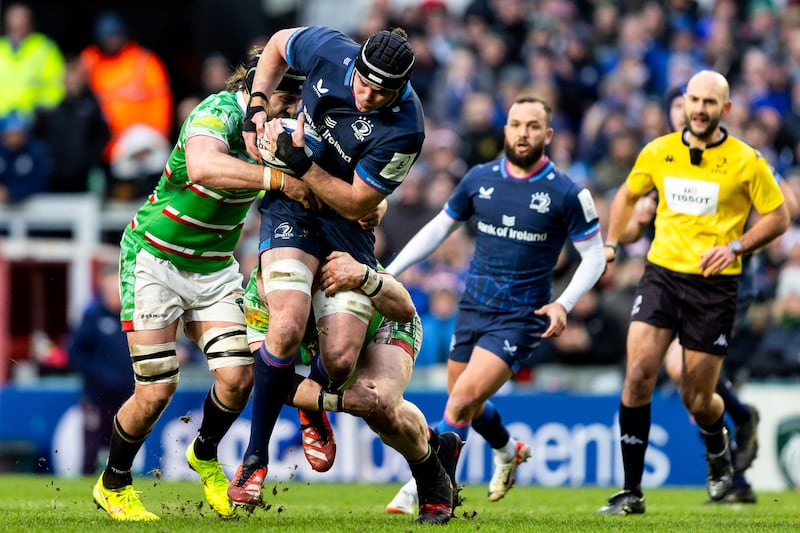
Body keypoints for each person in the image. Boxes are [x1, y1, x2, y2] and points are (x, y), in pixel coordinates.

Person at [90, 50, 313, 522]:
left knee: (238, 378)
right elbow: (203, 167)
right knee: (156, 389)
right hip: (155, 258)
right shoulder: (219, 111)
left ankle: (205, 453)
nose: (293, 108)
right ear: (257, 90)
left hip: (213, 268)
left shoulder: (284, 130)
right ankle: (113, 483)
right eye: (286, 97)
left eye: (298, 99)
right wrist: (278, 179)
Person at [230, 25, 430, 519]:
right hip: (290, 211)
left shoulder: (407, 127)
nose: (366, 97)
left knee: (340, 359)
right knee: (286, 324)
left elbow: (358, 202)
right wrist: (257, 106)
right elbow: (278, 43)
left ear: (401, 89)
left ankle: (313, 405)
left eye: (380, 93)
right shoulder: (329, 49)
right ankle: (254, 461)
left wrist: (302, 166)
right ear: (354, 64)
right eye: (363, 83)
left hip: (344, 221)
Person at [384, 94, 606, 514]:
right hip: (473, 308)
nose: (523, 133)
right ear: (506, 130)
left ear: (548, 135)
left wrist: (564, 303)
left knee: (461, 400)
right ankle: (507, 449)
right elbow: (440, 228)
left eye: (533, 126)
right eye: (516, 125)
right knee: (465, 399)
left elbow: (594, 256)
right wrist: (391, 271)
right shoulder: (479, 179)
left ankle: (427, 492)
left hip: (521, 318)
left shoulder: (567, 193)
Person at [597, 70, 790, 516]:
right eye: (694, 100)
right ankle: (631, 491)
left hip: (714, 287)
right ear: (684, 104)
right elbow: (626, 195)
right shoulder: (658, 151)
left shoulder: (747, 160)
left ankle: (718, 443)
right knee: (638, 373)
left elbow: (779, 217)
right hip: (662, 276)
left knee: (697, 398)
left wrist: (736, 247)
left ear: (726, 109)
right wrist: (611, 242)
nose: (700, 109)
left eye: (709, 103)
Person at [231, 250, 460, 524]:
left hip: (384, 323)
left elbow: (403, 304)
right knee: (375, 415)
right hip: (330, 357)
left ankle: (432, 481)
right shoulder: (256, 300)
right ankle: (438, 447)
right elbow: (270, 380)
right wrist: (335, 401)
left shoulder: (334, 259)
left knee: (381, 405)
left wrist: (366, 277)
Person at [80, 11, 173, 201]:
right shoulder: (93, 62)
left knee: (153, 188)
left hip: (146, 139)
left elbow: (161, 100)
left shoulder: (144, 60)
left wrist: (158, 137)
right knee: (117, 191)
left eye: (115, 35)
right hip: (113, 145)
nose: (112, 41)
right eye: (107, 36)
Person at [68, 260, 134, 475]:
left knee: (121, 441)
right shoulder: (93, 316)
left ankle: (117, 479)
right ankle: (87, 477)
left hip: (125, 394)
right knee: (93, 442)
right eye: (113, 292)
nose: (117, 297)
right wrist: (100, 376)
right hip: (96, 395)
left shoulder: (131, 318)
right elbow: (76, 353)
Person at [0, 3, 65, 119]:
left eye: (22, 21)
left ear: (30, 23)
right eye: (14, 21)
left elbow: (57, 83)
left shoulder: (44, 47)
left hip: (31, 117)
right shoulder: (1, 47)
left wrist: (42, 108)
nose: (18, 25)